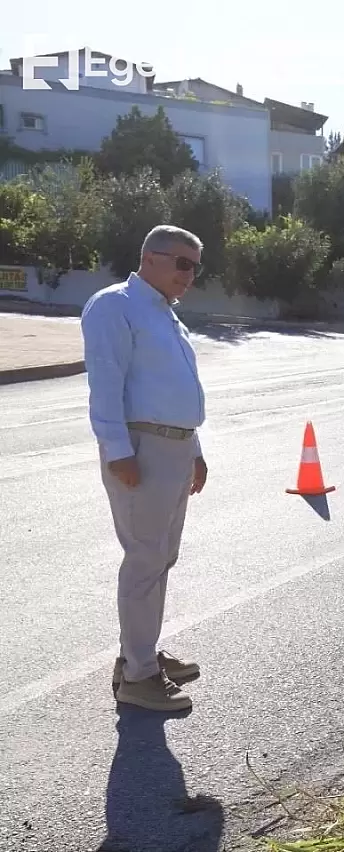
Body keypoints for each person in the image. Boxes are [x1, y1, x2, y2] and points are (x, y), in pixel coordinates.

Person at [81, 225, 209, 713]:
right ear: (149, 258)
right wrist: (117, 450)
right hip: (142, 447)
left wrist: (194, 449)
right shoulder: (115, 306)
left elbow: (178, 390)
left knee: (160, 559)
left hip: (174, 449)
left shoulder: (169, 317)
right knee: (144, 560)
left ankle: (139, 655)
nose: (190, 274)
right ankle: (138, 678)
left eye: (195, 266)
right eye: (182, 263)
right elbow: (106, 381)